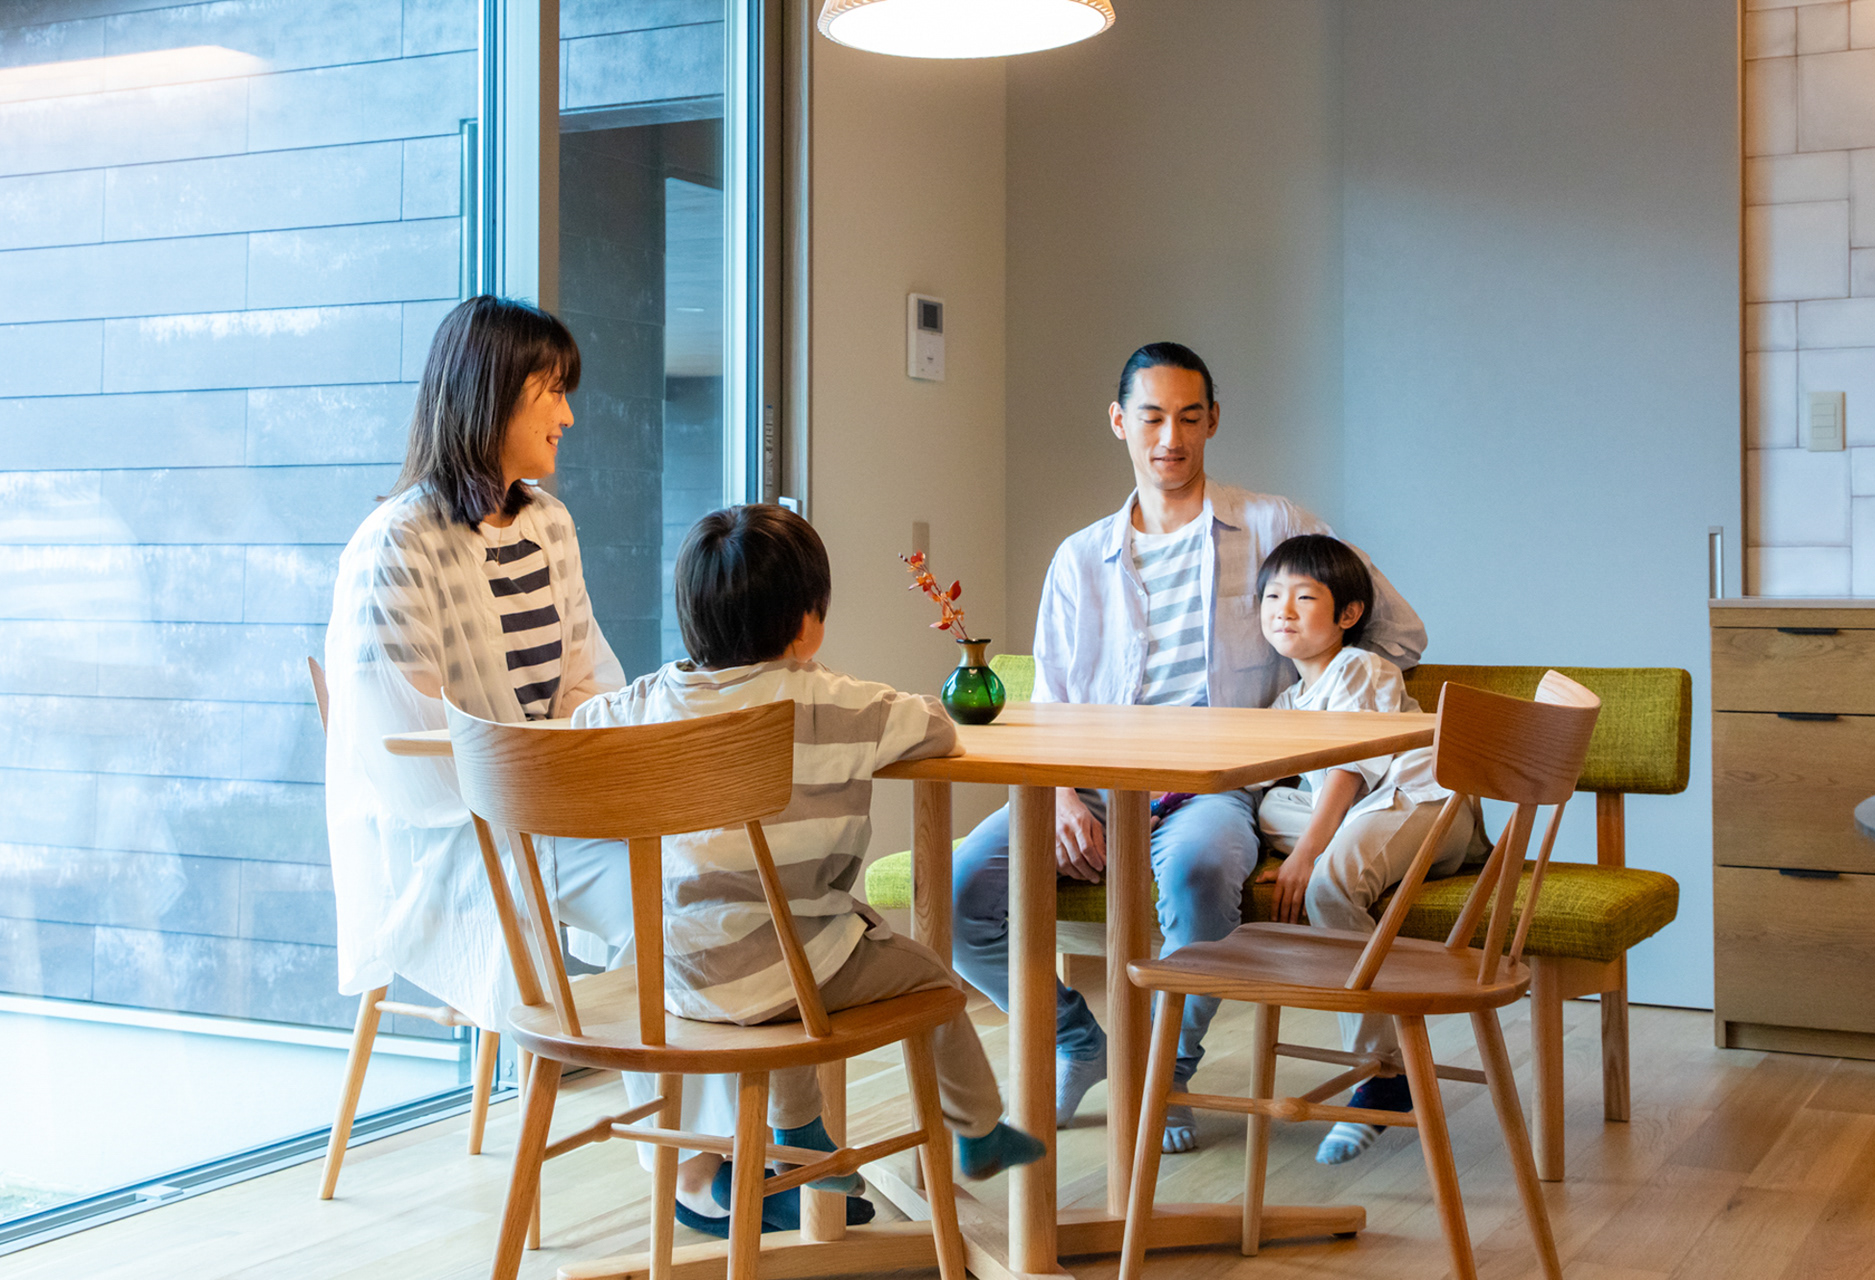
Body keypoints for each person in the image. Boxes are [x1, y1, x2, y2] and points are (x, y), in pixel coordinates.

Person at [950, 342, 1427, 1154]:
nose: (1170, 437)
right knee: (962, 894)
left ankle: (1168, 1070)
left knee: (1202, 874)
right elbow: (1050, 701)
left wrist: (1322, 700)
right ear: (1119, 422)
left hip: (1218, 789)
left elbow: (1399, 634)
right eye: (1151, 418)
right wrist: (1061, 798)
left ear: (1212, 423)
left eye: (1188, 417)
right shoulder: (1079, 559)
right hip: (1092, 782)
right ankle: (1079, 1043)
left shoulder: (1278, 525)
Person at [573, 503, 1045, 1235]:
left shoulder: (652, 703)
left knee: (790, 958)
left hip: (681, 977)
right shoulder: (833, 703)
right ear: (807, 623)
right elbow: (937, 726)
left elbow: (581, 728)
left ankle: (804, 1138)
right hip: (797, 966)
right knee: (932, 984)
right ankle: (979, 1129)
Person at [323, 295, 637, 1049]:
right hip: (457, 832)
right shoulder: (396, 545)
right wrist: (544, 786)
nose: (567, 416)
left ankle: (680, 1109)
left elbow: (587, 681)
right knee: (671, 896)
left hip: (546, 811)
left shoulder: (550, 525)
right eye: (552, 392)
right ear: (493, 394)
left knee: (699, 876)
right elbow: (407, 752)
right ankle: (675, 1112)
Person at [1249, 534, 1487, 1164]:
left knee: (1330, 884)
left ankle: (1383, 1072)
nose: (1283, 611)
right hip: (1366, 818)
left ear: (1348, 614)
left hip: (1424, 804)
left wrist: (1306, 855)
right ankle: (1385, 1062)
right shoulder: (1287, 702)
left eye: (1304, 598)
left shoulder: (1360, 667)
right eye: (1272, 597)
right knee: (1267, 806)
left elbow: (1348, 772)